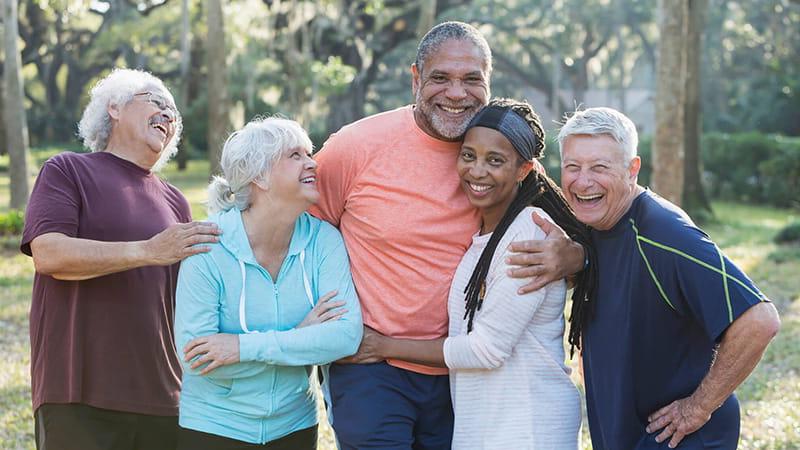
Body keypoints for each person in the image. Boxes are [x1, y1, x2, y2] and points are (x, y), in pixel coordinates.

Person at [311, 21, 586, 449]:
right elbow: (304, 232)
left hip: (463, 378)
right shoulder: (355, 146)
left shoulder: (506, 158)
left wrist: (576, 256)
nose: (457, 93)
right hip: (371, 364)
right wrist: (315, 323)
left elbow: (572, 226)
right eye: (440, 77)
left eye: (471, 79)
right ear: (416, 78)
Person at [20, 68, 221, 450]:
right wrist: (147, 250)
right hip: (79, 395)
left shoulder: (175, 199)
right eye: (157, 102)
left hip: (165, 399)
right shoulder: (67, 170)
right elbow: (49, 253)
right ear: (114, 106)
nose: (168, 116)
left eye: (174, 114)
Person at [558, 107, 781, 449]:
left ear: (632, 170)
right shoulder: (594, 224)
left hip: (682, 439)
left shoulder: (664, 235)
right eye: (573, 167)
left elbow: (759, 320)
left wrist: (698, 407)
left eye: (600, 167)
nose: (583, 181)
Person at [173, 117, 363, 450]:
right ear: (258, 175)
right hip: (214, 426)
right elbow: (197, 359)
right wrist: (300, 337)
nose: (312, 163)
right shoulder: (207, 245)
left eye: (309, 153)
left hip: (295, 425)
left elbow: (345, 336)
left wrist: (239, 348)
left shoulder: (324, 240)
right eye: (295, 155)